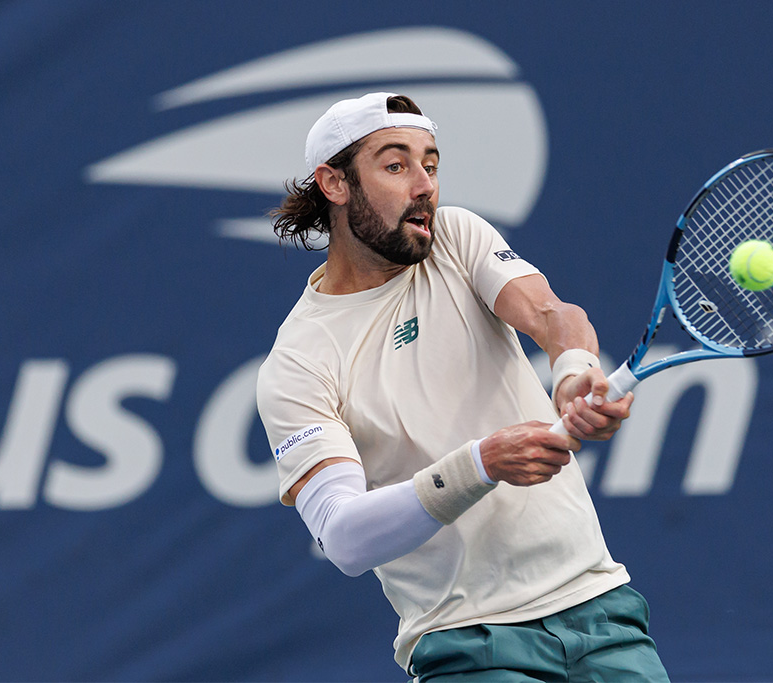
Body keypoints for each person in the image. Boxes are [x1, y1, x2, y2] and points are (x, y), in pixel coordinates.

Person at [256, 92, 669, 681]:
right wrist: (481, 464)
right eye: (395, 165)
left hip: (600, 609)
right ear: (334, 183)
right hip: (467, 644)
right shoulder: (298, 362)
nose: (424, 185)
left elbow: (551, 313)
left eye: (431, 164)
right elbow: (344, 538)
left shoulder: (455, 237)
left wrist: (575, 372)